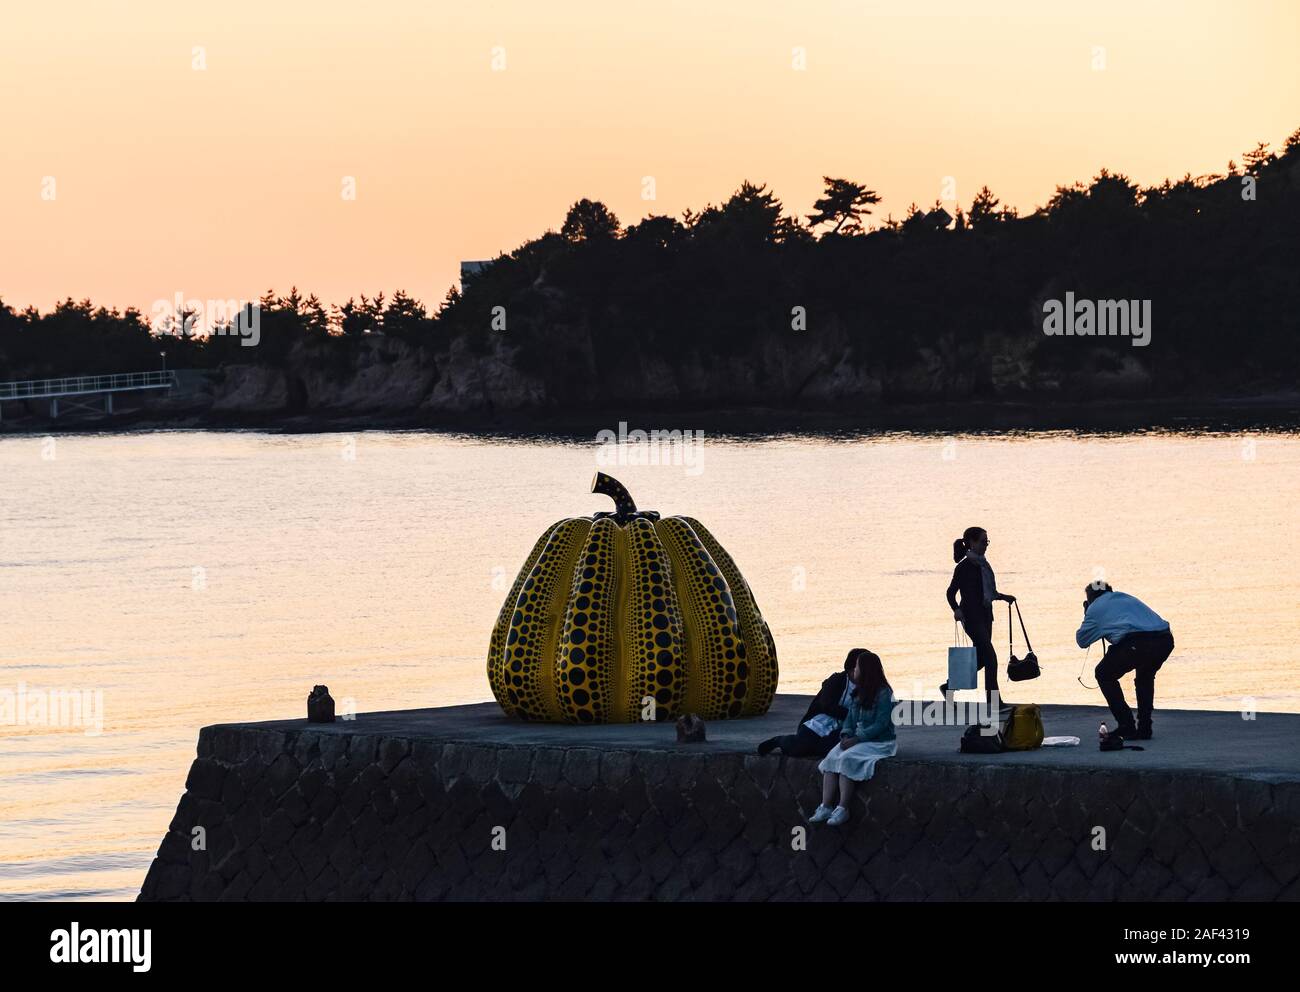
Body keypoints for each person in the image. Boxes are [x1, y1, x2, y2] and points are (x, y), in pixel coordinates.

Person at [809, 650, 896, 827]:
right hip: (857, 738)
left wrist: (857, 739)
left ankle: (843, 807)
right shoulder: (858, 693)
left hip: (879, 742)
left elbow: (881, 724)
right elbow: (849, 719)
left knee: (847, 759)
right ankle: (826, 805)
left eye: (856, 667)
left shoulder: (884, 693)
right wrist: (846, 734)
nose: (853, 671)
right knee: (832, 757)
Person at [1077, 582, 1173, 741]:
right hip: (1164, 640)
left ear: (1090, 598)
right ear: (1109, 591)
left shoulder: (1095, 608)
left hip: (1138, 642)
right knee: (1145, 677)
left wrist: (1087, 613)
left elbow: (1082, 641)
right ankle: (1144, 728)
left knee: (1103, 673)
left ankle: (1126, 725)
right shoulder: (1126, 598)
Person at [943, 526, 1016, 703]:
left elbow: (987, 592)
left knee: (982, 658)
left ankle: (948, 686)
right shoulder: (964, 567)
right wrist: (956, 609)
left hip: (985, 616)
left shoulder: (983, 564)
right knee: (991, 658)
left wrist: (1004, 597)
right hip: (971, 618)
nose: (986, 545)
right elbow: (950, 593)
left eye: (987, 542)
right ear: (972, 543)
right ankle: (994, 702)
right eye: (983, 541)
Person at [757, 649, 862, 757]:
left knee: (825, 750)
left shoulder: (870, 686)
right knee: (799, 748)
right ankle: (778, 741)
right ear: (850, 670)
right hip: (821, 721)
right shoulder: (837, 680)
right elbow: (827, 706)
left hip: (844, 727)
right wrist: (851, 715)